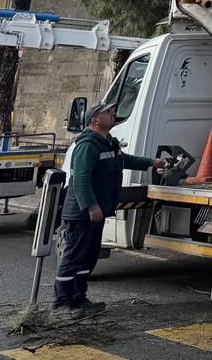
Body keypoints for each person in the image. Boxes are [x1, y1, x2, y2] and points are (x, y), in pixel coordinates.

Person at [54, 101, 165, 317]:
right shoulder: (88, 145)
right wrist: (91, 206)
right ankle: (61, 304)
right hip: (82, 212)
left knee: (88, 258)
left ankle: (78, 299)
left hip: (97, 212)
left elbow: (124, 160)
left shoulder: (107, 143)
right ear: (95, 120)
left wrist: (153, 162)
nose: (112, 113)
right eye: (107, 112)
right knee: (74, 257)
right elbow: (81, 180)